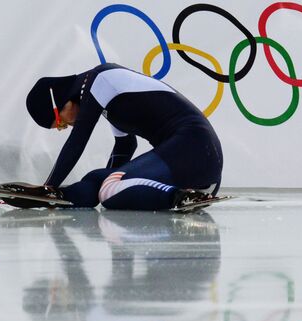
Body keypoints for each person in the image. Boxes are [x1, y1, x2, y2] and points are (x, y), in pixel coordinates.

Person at [21, 63, 223, 211]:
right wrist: (53, 194)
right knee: (99, 180)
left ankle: (179, 198)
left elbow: (77, 141)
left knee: (110, 189)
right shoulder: (106, 100)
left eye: (60, 121)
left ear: (61, 101)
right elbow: (125, 146)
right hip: (192, 163)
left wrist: (47, 187)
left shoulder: (100, 80)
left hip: (195, 147)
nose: (64, 127)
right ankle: (61, 196)